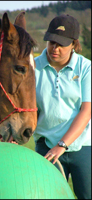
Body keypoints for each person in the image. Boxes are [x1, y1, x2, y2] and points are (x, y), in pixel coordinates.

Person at [34, 14, 91, 199]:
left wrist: (62, 145)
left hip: (83, 146)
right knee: (49, 196)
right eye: (51, 42)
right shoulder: (32, 67)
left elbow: (87, 110)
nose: (54, 48)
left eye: (61, 44)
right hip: (46, 148)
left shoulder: (86, 68)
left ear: (74, 44)